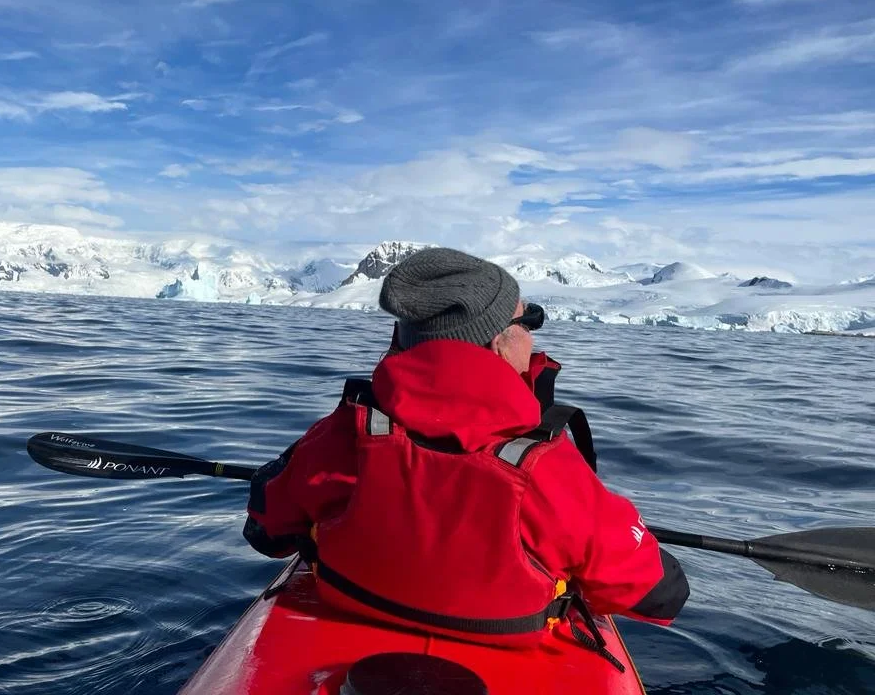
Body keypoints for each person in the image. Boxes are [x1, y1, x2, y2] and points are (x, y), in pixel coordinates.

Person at [243, 247, 689, 659]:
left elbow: (266, 532)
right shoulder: (545, 468)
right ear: (497, 343)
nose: (532, 340)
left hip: (347, 622)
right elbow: (659, 594)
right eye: (527, 323)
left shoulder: (344, 434)